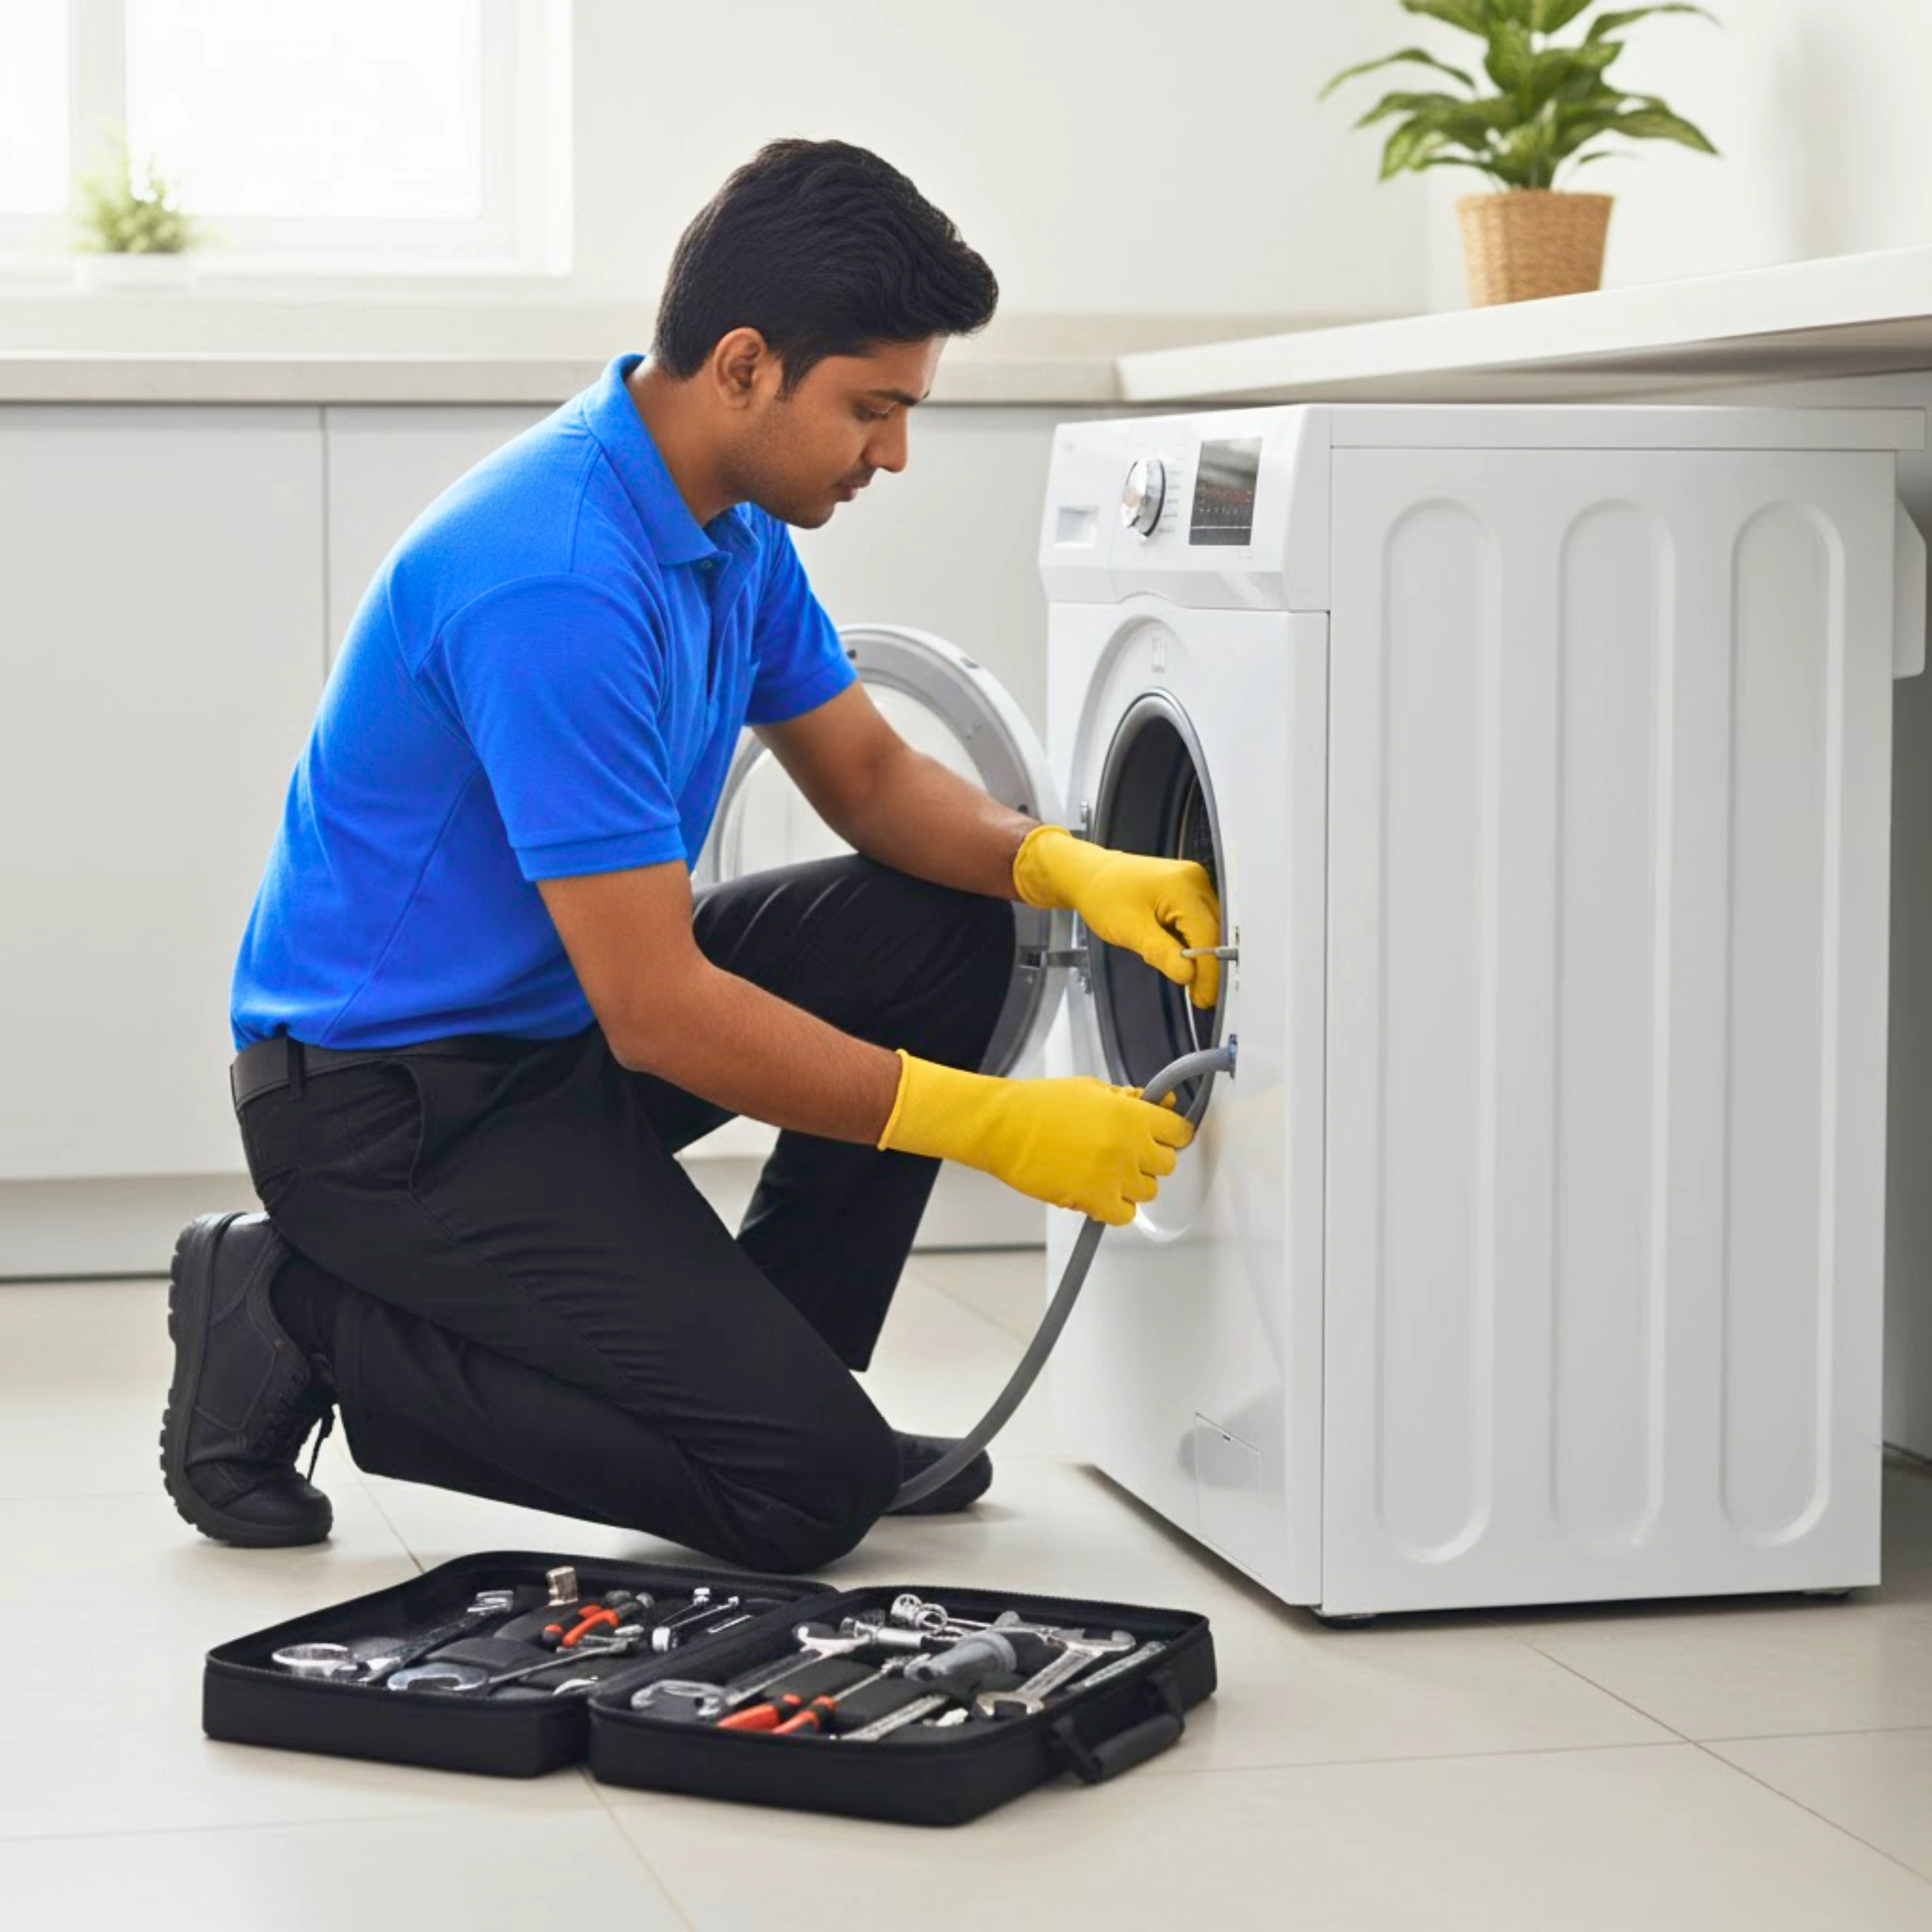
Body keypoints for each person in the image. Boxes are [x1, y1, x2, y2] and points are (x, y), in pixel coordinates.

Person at [158, 138, 1220, 1571]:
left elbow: (869, 776)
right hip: (390, 1113)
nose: (893, 452)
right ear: (743, 366)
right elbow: (661, 1010)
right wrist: (997, 1125)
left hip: (556, 1035)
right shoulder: (554, 576)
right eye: (874, 407)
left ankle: (768, 1382)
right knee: (803, 1498)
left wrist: (1067, 864)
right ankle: (295, 1307)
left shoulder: (727, 522)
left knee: (946, 923)